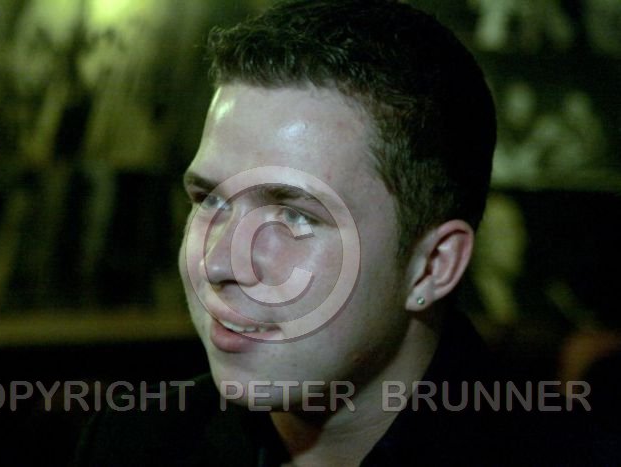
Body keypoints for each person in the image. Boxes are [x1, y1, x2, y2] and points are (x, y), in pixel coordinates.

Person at [76, 1, 606, 465]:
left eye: (294, 217)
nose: (217, 263)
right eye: (209, 200)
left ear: (433, 266)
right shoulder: (136, 440)